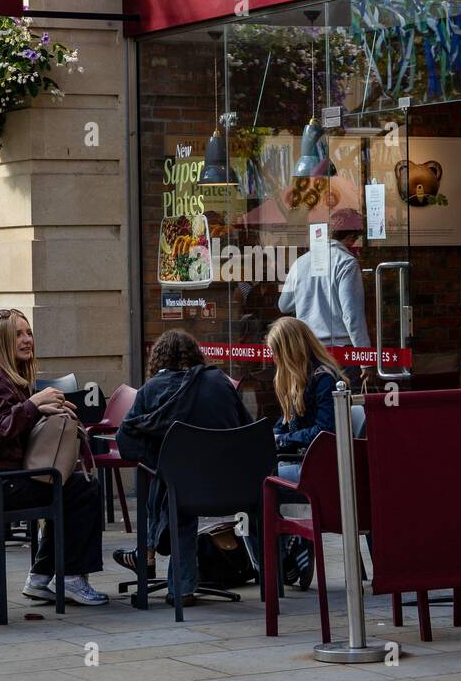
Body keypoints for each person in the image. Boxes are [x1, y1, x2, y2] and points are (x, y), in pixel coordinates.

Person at [0, 308, 108, 606]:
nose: (27, 340)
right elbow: (1, 430)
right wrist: (34, 403)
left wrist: (39, 410)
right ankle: (70, 578)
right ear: (2, 341)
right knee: (83, 488)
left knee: (68, 485)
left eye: (29, 333)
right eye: (18, 335)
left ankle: (41, 577)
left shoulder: (0, 375)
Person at [113, 330, 251, 606]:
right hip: (235, 488)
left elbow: (126, 444)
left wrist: (158, 460)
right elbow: (245, 428)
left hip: (183, 492)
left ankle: (164, 570)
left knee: (171, 483)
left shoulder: (152, 389)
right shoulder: (220, 382)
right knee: (176, 479)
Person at [268, 316, 343, 587]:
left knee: (261, 483)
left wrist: (283, 440)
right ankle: (289, 549)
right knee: (258, 477)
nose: (273, 358)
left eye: (276, 352)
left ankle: (289, 549)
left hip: (321, 467)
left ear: (290, 351)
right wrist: (274, 434)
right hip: (301, 459)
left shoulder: (323, 379)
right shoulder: (295, 378)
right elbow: (288, 422)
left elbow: (326, 432)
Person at [277, 209, 370, 351]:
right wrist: (365, 356)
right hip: (339, 349)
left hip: (308, 347)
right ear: (351, 236)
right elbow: (352, 315)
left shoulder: (300, 263)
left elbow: (284, 305)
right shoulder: (346, 262)